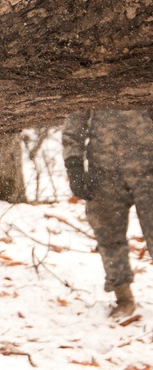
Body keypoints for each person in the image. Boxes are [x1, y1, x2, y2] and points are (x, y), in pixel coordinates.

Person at [62, 109, 153, 318]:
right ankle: (123, 297)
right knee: (109, 236)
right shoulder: (92, 77)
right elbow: (76, 115)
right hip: (103, 172)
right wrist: (74, 165)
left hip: (149, 169)